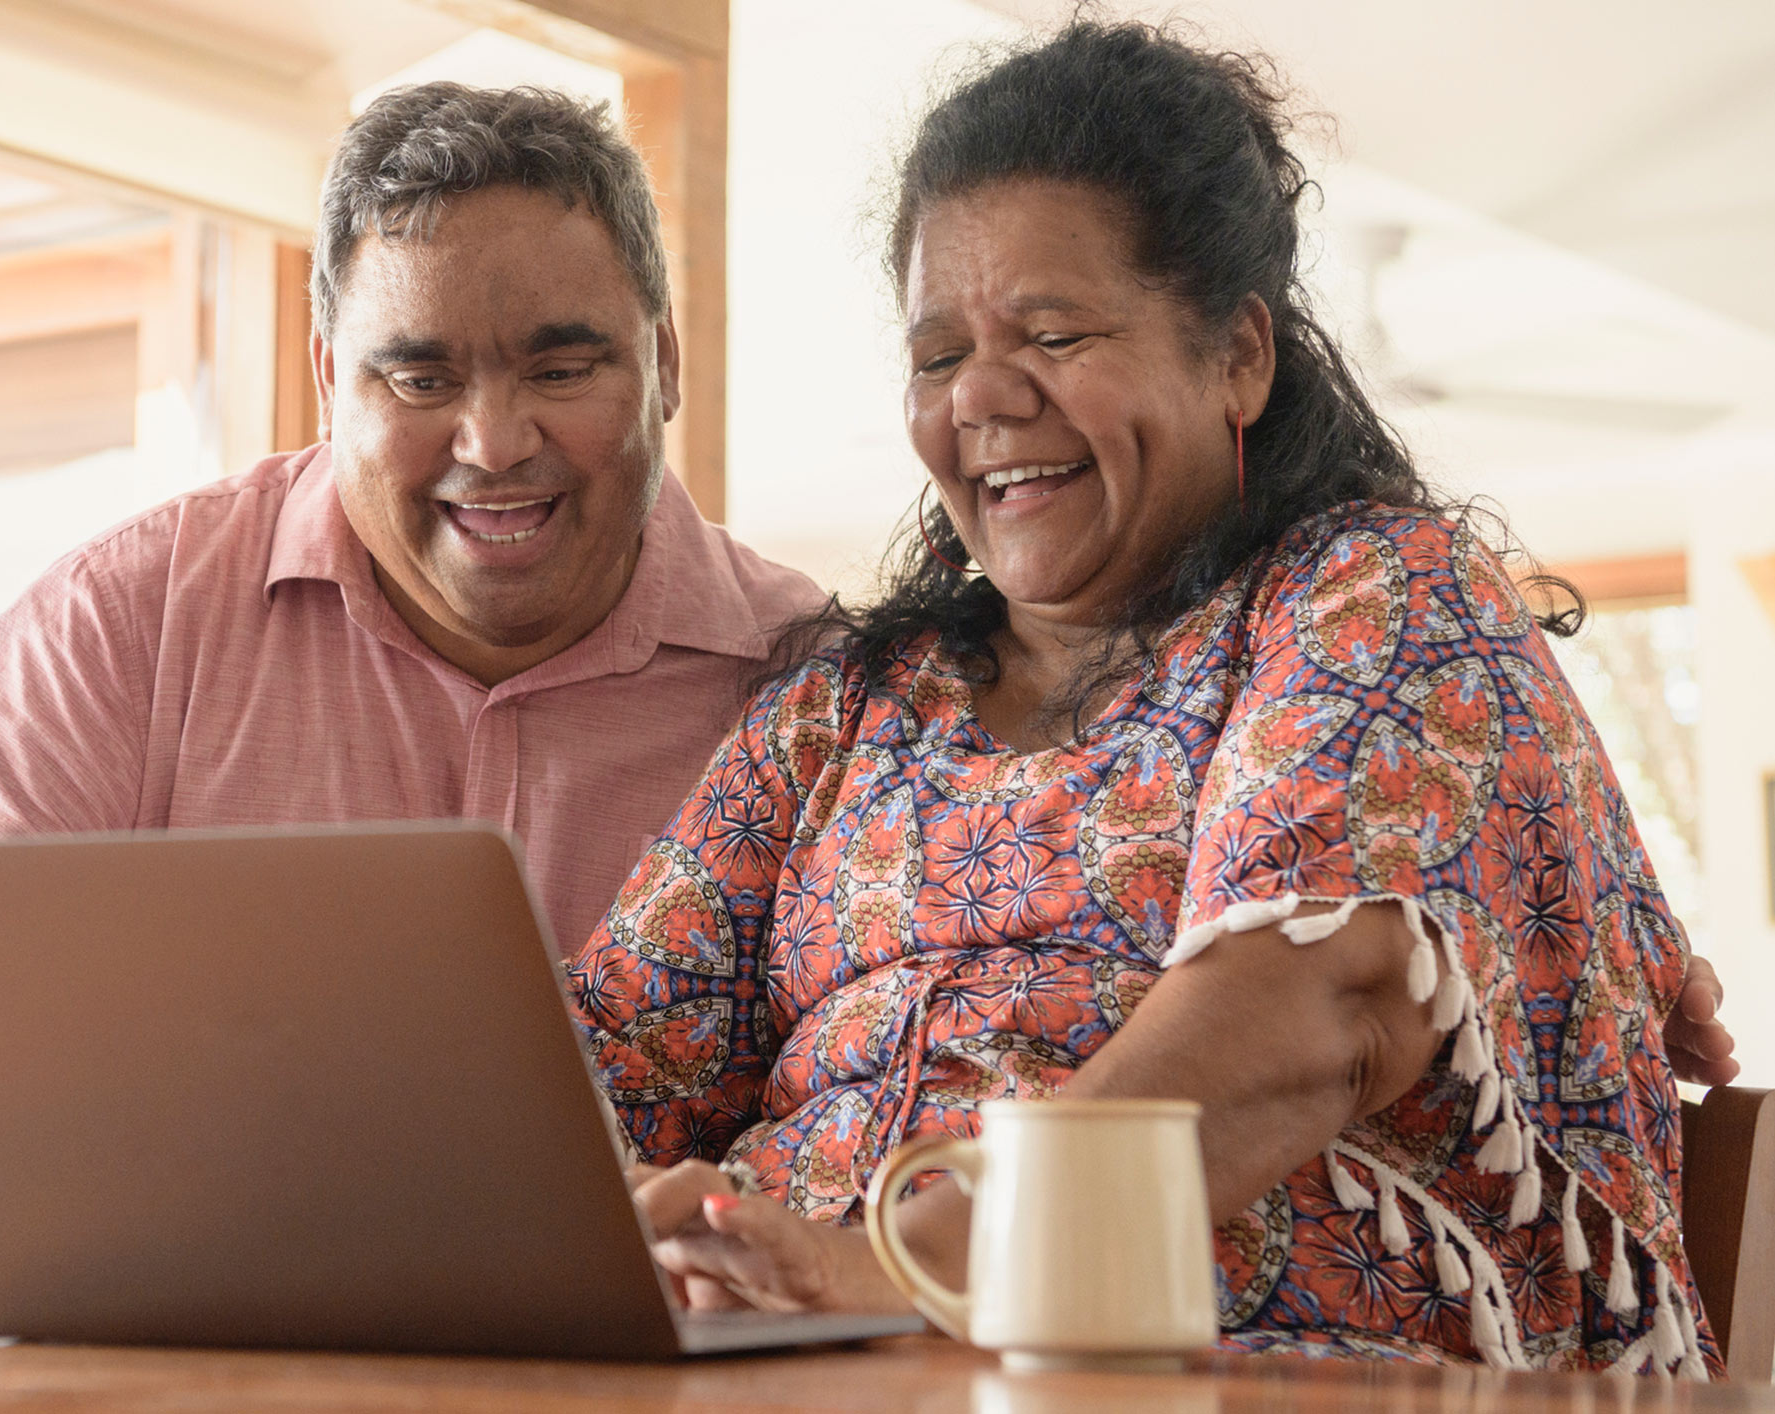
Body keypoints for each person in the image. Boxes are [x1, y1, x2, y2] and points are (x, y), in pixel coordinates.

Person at [577, 21, 1739, 1374]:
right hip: (817, 1358)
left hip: (1241, 1364)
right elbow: (609, 1059)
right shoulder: (845, 705)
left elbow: (1325, 995)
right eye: (938, 352)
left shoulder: (1374, 599)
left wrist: (902, 1266)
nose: (985, 397)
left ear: (1239, 355)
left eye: (1054, 332)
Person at [0, 84, 819, 1310]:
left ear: (665, 362)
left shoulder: (815, 679)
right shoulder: (142, 613)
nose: (492, 440)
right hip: (184, 1353)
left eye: (563, 366)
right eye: (417, 380)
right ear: (328, 376)